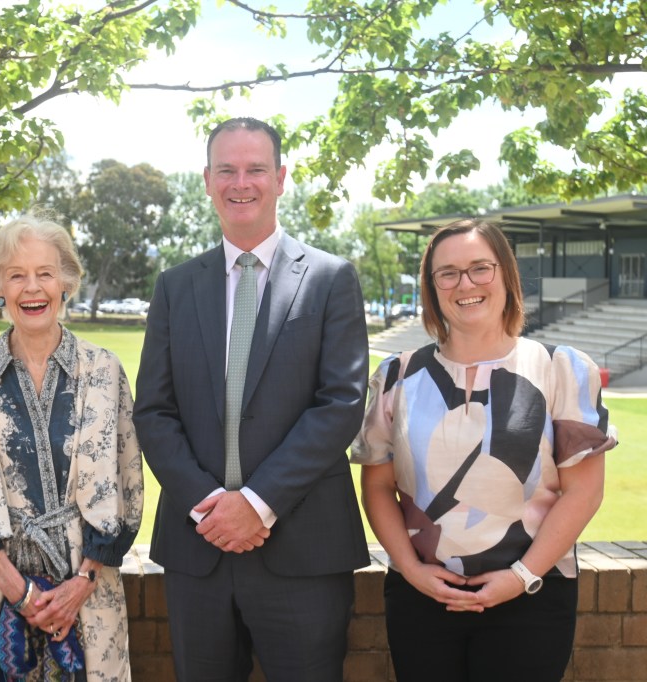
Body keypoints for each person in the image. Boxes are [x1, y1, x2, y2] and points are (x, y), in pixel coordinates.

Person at [133, 117, 371, 681]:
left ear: (281, 178)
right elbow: (154, 411)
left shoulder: (331, 279)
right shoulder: (174, 286)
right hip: (199, 547)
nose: (241, 183)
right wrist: (210, 505)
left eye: (256, 169)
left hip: (304, 550)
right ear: (207, 181)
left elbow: (340, 404)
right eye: (227, 170)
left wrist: (257, 503)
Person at [352, 218, 618, 682]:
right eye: (448, 273)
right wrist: (412, 571)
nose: (465, 284)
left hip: (533, 594)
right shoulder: (397, 376)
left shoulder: (560, 368)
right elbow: (376, 487)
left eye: (480, 268)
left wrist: (520, 576)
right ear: (432, 287)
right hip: (422, 596)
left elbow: (584, 492)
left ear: (506, 275)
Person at [0, 213, 143, 681]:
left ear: (65, 283)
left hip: (87, 591)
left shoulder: (104, 369)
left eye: (45, 273)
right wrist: (21, 593)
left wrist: (80, 583)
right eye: (17, 275)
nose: (32, 288)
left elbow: (127, 484)